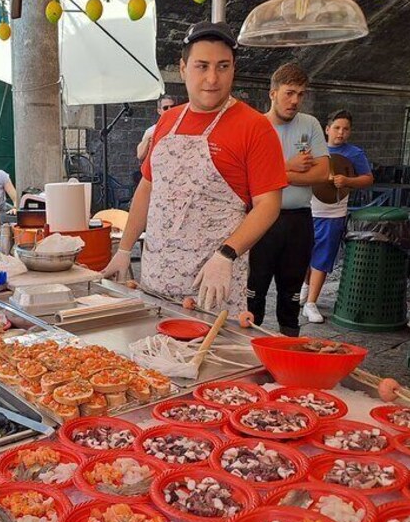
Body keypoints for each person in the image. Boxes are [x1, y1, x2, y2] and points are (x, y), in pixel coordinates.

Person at [101, 21, 287, 314]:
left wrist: (226, 254)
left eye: (223, 67)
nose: (212, 78)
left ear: (233, 69)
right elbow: (148, 188)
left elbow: (268, 205)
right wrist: (124, 249)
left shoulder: (255, 127)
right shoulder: (167, 121)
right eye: (202, 66)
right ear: (184, 67)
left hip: (210, 287)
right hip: (154, 280)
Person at [247, 63, 330, 336]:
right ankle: (247, 351)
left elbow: (323, 173)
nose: (295, 100)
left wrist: (277, 173)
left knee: (291, 295)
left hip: (298, 219)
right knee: (253, 292)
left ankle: (288, 352)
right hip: (260, 219)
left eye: (301, 94)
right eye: (289, 93)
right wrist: (292, 166)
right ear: (272, 93)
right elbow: (248, 179)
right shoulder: (254, 126)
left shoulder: (310, 124)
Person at [301, 109, 374, 323]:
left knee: (322, 257)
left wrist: (348, 181)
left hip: (333, 213)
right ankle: (305, 288)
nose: (341, 133)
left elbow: (368, 178)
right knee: (303, 254)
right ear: (327, 129)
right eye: (337, 128)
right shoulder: (311, 147)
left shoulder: (354, 153)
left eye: (346, 129)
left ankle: (311, 302)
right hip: (307, 208)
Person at [136, 95, 177, 161]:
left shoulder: (182, 126)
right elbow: (140, 156)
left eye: (172, 107)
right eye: (166, 108)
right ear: (159, 111)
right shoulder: (151, 130)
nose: (170, 110)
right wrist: (147, 139)